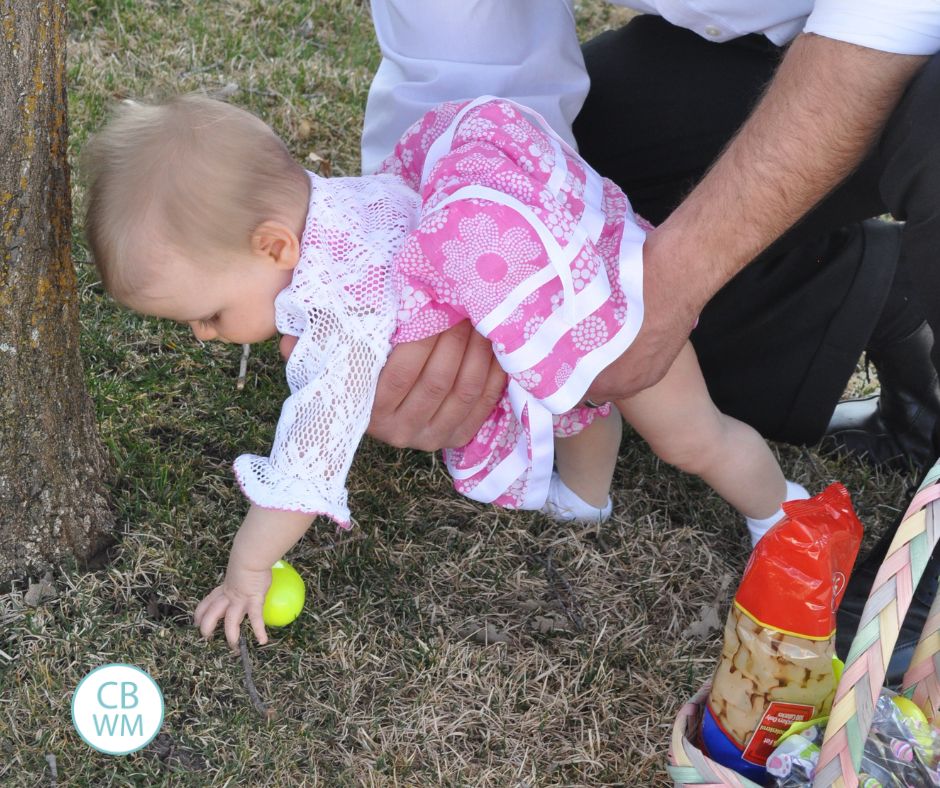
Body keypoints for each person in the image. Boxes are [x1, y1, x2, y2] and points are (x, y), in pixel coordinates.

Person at [83, 94, 807, 649]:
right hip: (551, 293)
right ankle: (587, 500)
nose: (205, 335)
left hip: (601, 313)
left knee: (693, 438)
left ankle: (783, 516)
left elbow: (311, 453)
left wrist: (247, 570)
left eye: (207, 313)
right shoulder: (333, 205)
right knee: (576, 405)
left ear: (273, 247)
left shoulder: (340, 302)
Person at [359, 1, 940, 683]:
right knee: (603, 209)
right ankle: (885, 292)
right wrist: (452, 276)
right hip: (761, 42)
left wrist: (668, 285)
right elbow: (473, 81)